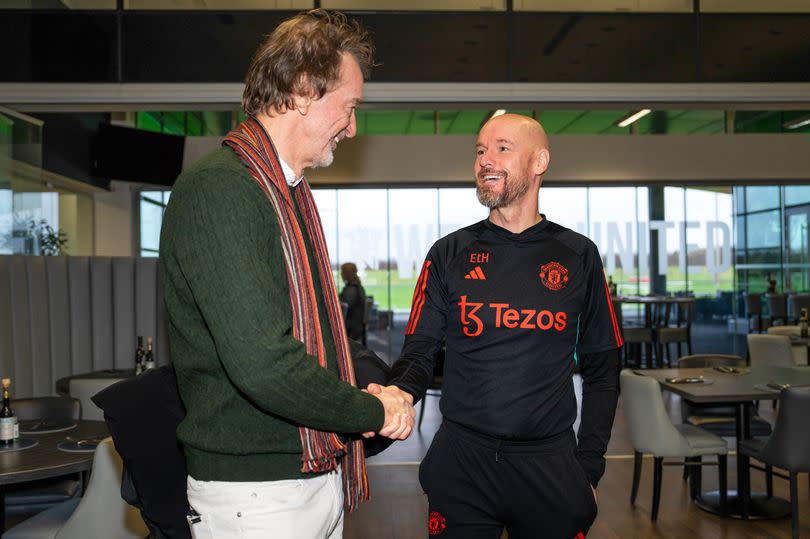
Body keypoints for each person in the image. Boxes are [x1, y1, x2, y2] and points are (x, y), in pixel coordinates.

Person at [159, 10, 415, 539]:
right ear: (303, 90)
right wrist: (370, 409)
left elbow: (307, 338)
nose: (353, 126)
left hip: (305, 476)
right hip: (258, 496)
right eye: (349, 107)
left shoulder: (286, 193)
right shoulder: (224, 190)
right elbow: (264, 364)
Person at [376, 113, 623, 538]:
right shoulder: (448, 253)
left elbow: (604, 369)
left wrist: (589, 468)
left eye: (502, 148)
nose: (485, 160)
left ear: (539, 161)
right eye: (479, 150)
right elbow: (420, 351)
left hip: (550, 464)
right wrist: (399, 390)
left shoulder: (578, 255)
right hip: (462, 463)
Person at [339, 262, 368, 343]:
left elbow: (344, 307)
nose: (341, 274)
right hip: (357, 328)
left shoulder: (352, 290)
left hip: (352, 329)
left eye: (342, 271)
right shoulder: (358, 287)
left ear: (347, 273)